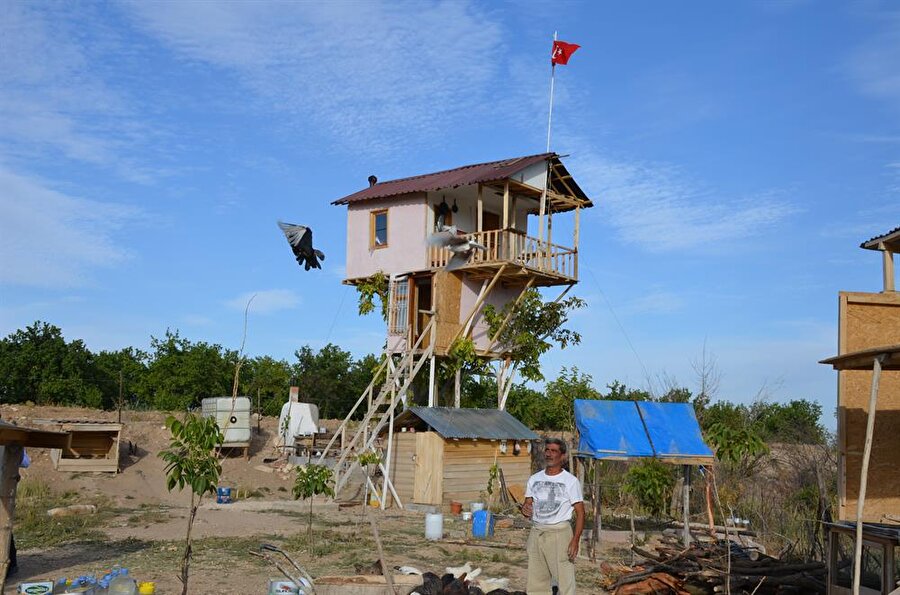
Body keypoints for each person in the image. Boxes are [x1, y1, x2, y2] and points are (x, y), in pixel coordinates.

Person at [522, 438, 584, 595]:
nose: (549, 454)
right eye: (547, 450)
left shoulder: (570, 481)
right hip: (537, 533)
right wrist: (525, 509)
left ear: (562, 456)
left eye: (554, 451)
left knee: (565, 582)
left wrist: (575, 541)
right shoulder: (534, 479)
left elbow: (581, 512)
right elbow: (527, 504)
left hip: (560, 534)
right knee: (536, 583)